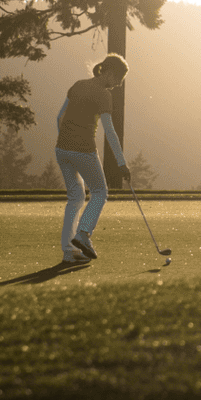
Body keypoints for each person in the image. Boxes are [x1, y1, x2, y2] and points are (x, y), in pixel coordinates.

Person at [56, 54, 130, 264]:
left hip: (62, 149)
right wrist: (122, 163)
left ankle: (69, 252)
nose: (118, 84)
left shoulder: (78, 85)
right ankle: (83, 234)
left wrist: (65, 140)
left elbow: (60, 117)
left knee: (76, 198)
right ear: (109, 72)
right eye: (118, 79)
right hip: (84, 149)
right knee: (99, 192)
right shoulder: (104, 95)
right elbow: (110, 131)